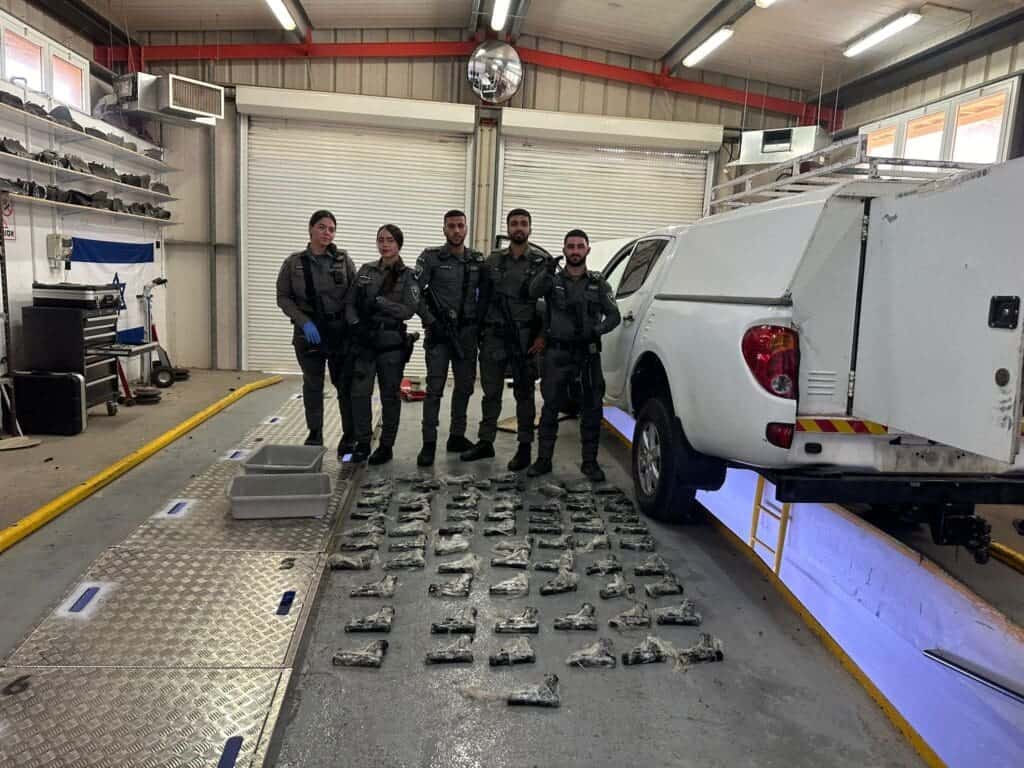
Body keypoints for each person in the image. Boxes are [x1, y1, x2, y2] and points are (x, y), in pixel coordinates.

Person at [462, 208, 551, 472]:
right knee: (491, 392)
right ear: (508, 228)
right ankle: (485, 441)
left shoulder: (541, 262)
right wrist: (478, 331)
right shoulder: (493, 260)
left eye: (523, 223)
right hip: (494, 336)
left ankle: (524, 447)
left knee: (524, 394)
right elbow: (481, 297)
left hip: (525, 338)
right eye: (514, 224)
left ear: (530, 229)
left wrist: (542, 336)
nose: (519, 228)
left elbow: (551, 303)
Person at [528, 228, 621, 481]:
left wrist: (597, 330)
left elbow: (614, 316)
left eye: (580, 246)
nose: (575, 251)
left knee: (591, 410)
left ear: (587, 250)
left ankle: (590, 463)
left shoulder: (598, 283)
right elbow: (533, 292)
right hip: (557, 355)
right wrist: (546, 271)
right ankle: (543, 460)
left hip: (588, 356)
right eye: (571, 247)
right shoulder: (553, 280)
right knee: (550, 408)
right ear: (564, 250)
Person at [276, 209, 356, 455]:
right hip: (309, 334)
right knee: (313, 384)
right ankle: (315, 433)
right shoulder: (294, 263)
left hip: (339, 333)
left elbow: (354, 293)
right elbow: (283, 297)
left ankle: (349, 435)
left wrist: (351, 325)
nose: (327, 233)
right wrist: (303, 322)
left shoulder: (343, 260)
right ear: (311, 229)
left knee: (344, 384)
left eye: (331, 229)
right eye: (322, 227)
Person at [414, 209, 485, 467]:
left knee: (465, 386)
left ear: (466, 228)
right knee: (434, 389)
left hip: (466, 334)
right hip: (439, 334)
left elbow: (486, 293)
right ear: (444, 229)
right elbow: (413, 291)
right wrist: (430, 320)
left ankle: (456, 436)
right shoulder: (431, 257)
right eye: (451, 226)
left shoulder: (476, 259)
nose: (456, 230)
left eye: (460, 226)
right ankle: (428, 443)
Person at [346, 224, 420, 464]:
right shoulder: (366, 270)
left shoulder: (408, 276)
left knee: (390, 396)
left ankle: (386, 446)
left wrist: (381, 302)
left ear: (399, 244)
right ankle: (363, 442)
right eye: (381, 239)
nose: (385, 244)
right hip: (365, 341)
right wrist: (355, 324)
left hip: (391, 344)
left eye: (390, 240)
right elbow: (350, 303)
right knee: (359, 393)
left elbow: (408, 310)